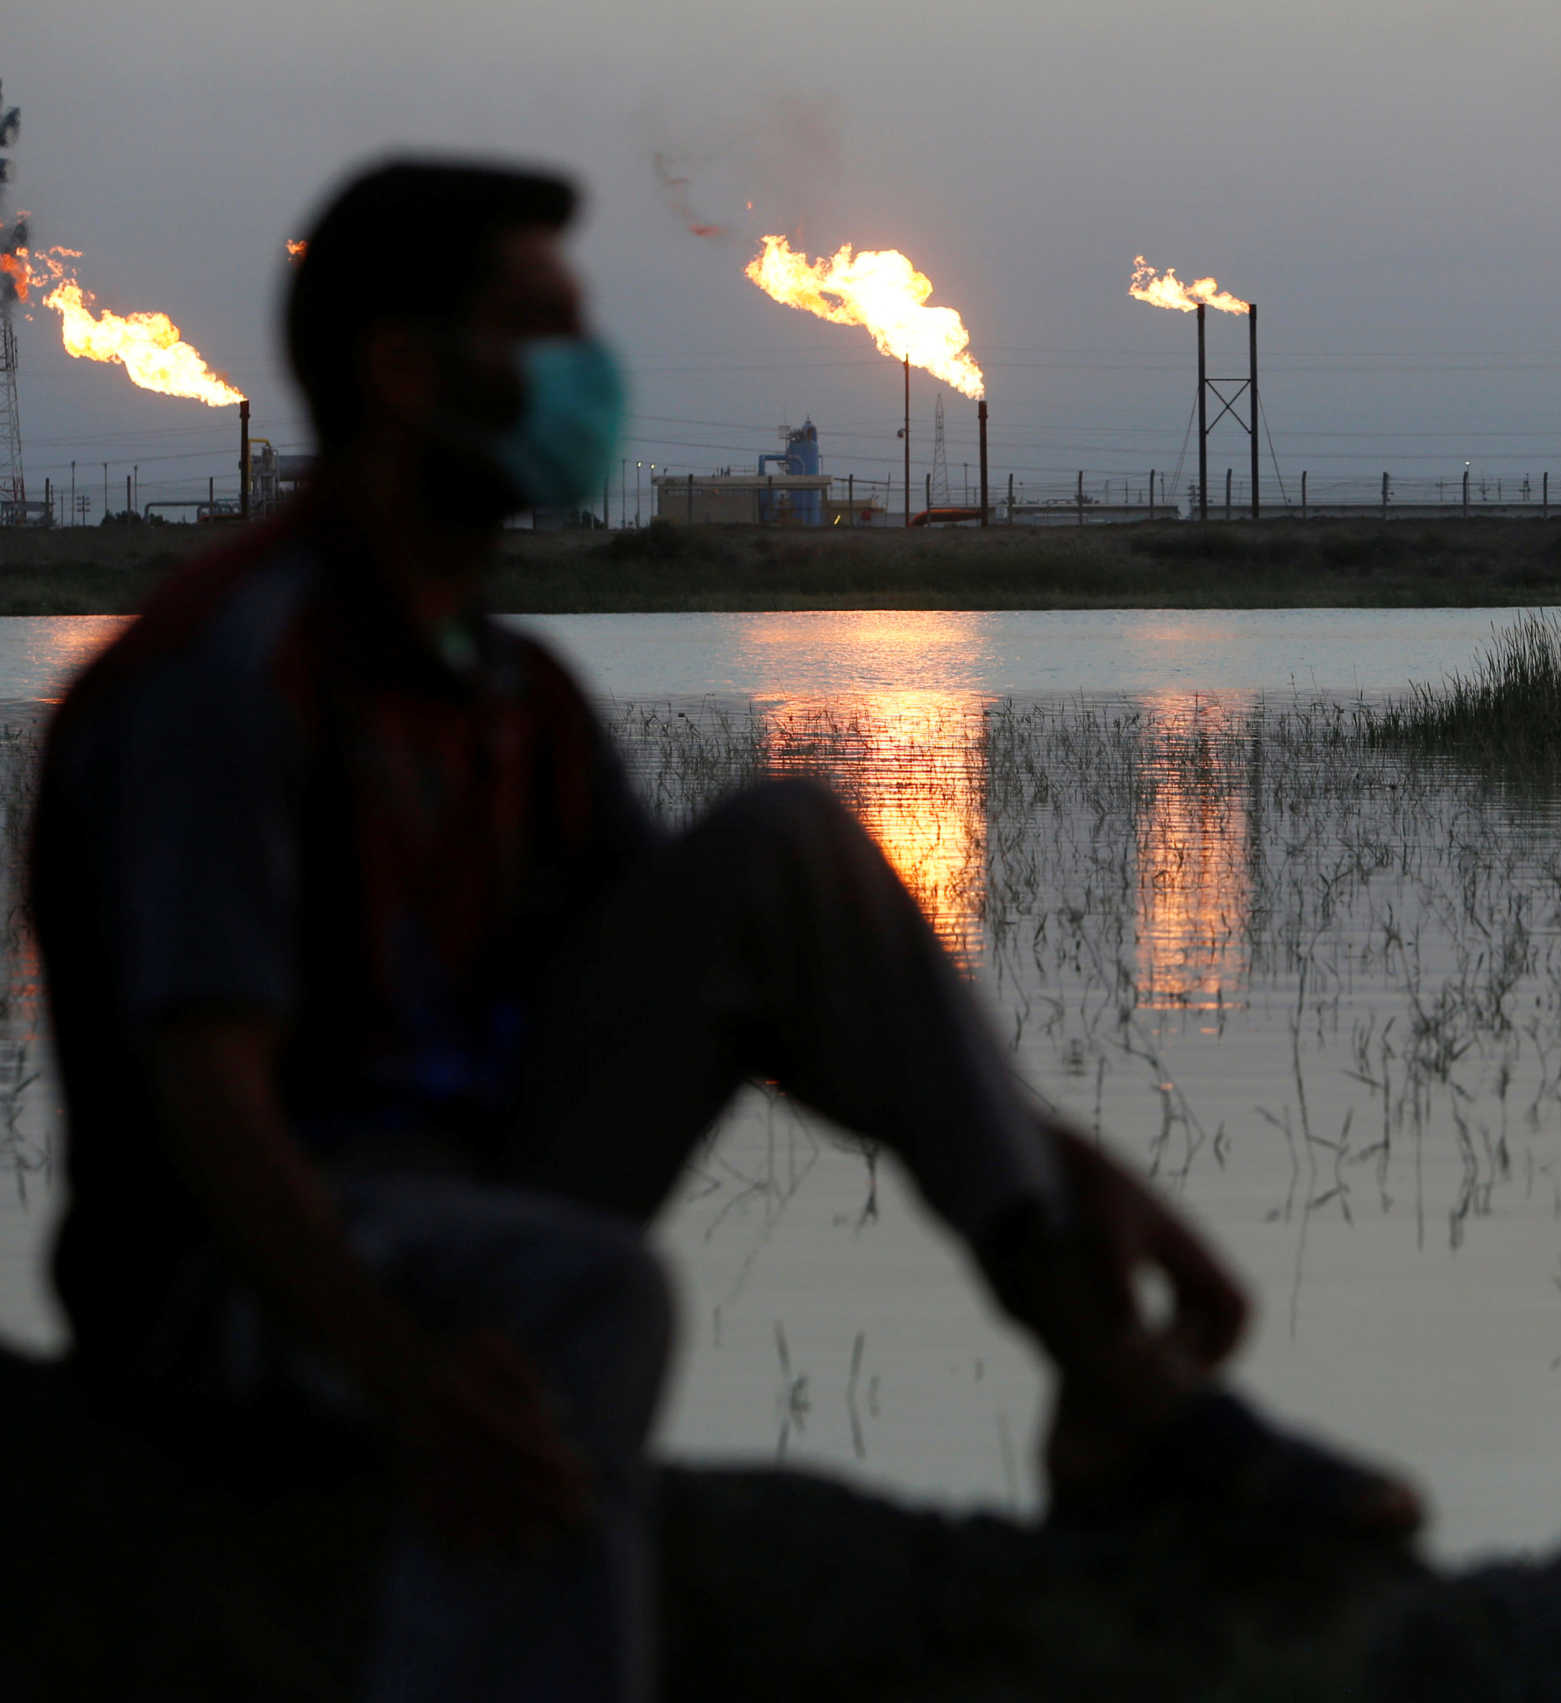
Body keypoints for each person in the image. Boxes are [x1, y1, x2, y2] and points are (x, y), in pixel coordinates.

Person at [29, 157, 1419, 1702]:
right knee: (591, 1293)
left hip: (478, 1191)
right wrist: (402, 1373)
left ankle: (1116, 1386)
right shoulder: (227, 680)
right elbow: (206, 1103)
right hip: (241, 1282)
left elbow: (751, 977)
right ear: (403, 373)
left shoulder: (515, 694)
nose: (587, 372)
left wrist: (1061, 1164)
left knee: (787, 849)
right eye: (539, 330)